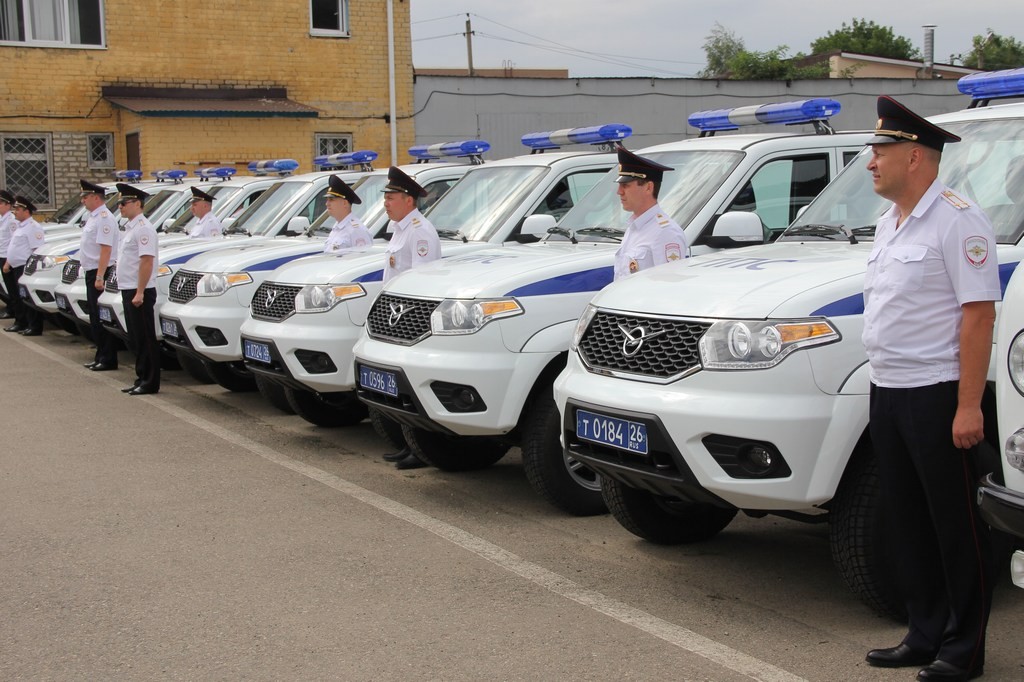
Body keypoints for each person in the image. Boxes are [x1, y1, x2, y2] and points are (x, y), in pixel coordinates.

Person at [861, 96, 999, 682]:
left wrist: (969, 405)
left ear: (914, 157)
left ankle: (964, 648)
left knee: (954, 524)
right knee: (906, 519)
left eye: (880, 151)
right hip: (887, 389)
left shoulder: (958, 219)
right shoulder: (887, 223)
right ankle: (923, 632)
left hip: (937, 393)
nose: (871, 162)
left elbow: (978, 316)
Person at [379, 166, 441, 469]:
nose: (386, 202)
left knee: (410, 387)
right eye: (386, 197)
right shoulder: (401, 229)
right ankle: (408, 445)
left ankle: (421, 449)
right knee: (397, 388)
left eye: (391, 197)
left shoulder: (419, 231)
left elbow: (422, 282)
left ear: (408, 200)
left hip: (409, 321)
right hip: (394, 317)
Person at [612, 146, 687, 280]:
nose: (619, 192)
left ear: (648, 187)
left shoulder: (665, 232)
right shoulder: (634, 228)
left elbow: (669, 287)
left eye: (626, 185)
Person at [115, 183, 161, 395]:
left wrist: (140, 291)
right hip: (129, 288)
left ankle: (150, 381)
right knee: (135, 337)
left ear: (137, 203)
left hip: (139, 289)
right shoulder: (130, 228)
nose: (120, 207)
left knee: (145, 337)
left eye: (124, 203)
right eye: (119, 203)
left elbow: (146, 262)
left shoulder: (143, 229)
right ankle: (141, 376)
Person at [78, 180, 120, 371]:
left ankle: (108, 358)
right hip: (92, 270)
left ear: (95, 197)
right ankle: (101, 355)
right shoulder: (93, 217)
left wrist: (100, 276)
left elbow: (105, 249)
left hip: (100, 271)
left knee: (101, 317)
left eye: (85, 197)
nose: (83, 201)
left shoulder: (104, 217)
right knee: (94, 317)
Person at [2, 195, 46, 335]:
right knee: (17, 297)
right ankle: (21, 322)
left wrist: (31, 271)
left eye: (18, 209)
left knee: (27, 298)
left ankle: (34, 326)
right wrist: (8, 263)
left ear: (26, 211)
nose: (15, 212)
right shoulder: (21, 227)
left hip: (25, 267)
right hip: (16, 266)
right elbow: (13, 246)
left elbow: (37, 251)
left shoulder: (33, 227)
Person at [322, 175, 372, 254]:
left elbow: (361, 260)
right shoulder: (337, 227)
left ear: (345, 203)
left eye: (331, 200)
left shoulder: (356, 231)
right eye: (327, 200)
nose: (327, 204)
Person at [0, 189, 16, 319]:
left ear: (8, 205)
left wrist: (8, 262)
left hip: (7, 257)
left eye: (0, 203)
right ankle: (11, 308)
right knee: (6, 285)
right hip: (1, 255)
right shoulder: (2, 219)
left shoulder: (11, 221)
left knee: (11, 286)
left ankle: (13, 310)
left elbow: (13, 242)